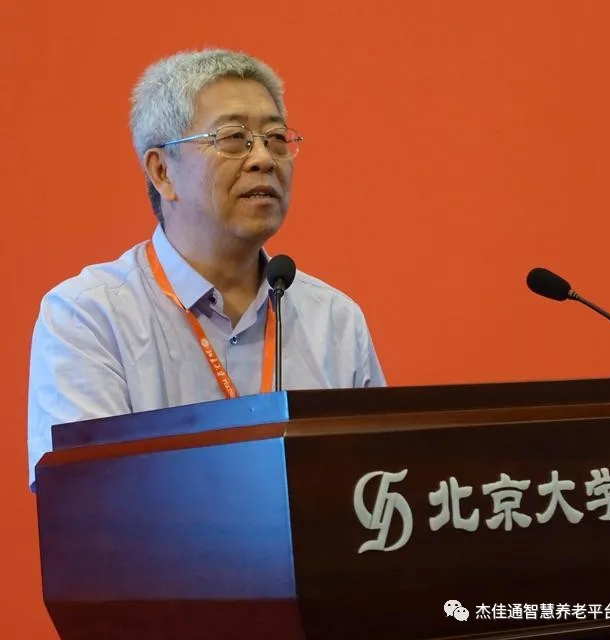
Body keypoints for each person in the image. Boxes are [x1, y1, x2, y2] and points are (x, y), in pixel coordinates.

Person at [27, 48, 386, 491]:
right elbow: (89, 501)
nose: (263, 158)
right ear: (162, 171)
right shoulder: (89, 318)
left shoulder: (334, 320)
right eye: (233, 138)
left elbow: (377, 490)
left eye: (276, 137)